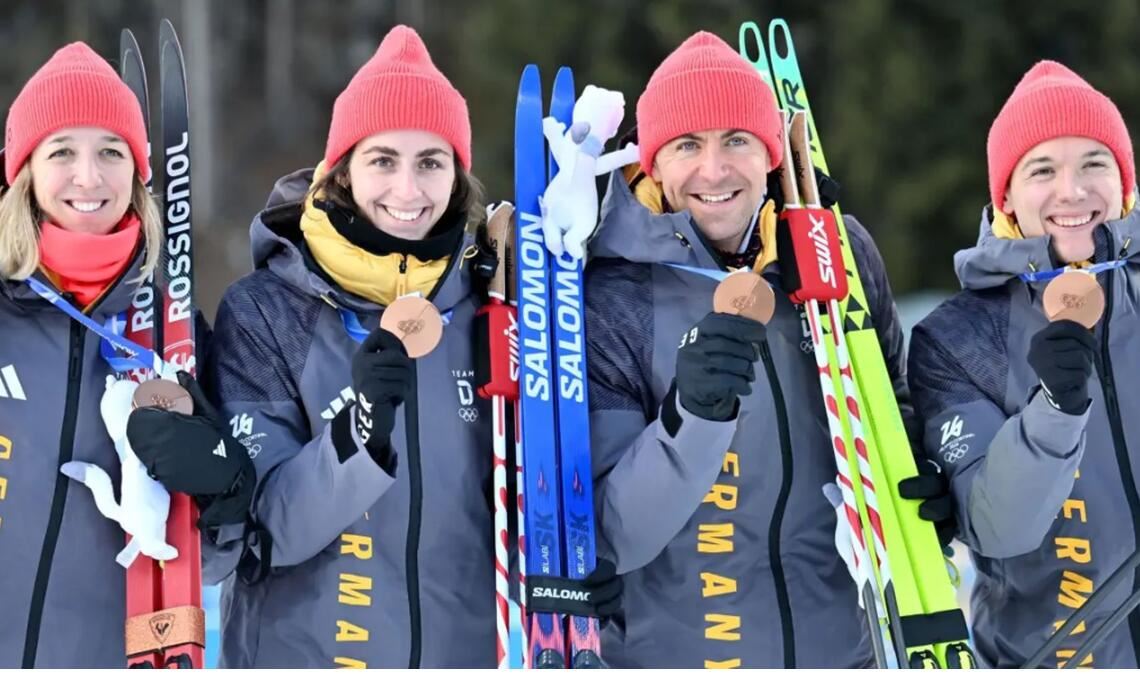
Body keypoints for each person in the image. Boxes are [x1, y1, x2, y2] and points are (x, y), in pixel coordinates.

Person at [202, 25, 617, 668]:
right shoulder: (266, 310)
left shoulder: (496, 304)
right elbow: (262, 535)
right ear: (342, 171)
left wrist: (572, 567)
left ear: (457, 176)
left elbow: (526, 497)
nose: (407, 190)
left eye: (430, 162)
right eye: (382, 160)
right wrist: (359, 433)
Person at [581, 30, 938, 668]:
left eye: (737, 141)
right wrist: (690, 418)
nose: (715, 170)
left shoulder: (839, 251)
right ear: (653, 162)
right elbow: (612, 535)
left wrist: (926, 480)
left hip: (844, 652)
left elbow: (893, 402)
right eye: (687, 145)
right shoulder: (612, 295)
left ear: (771, 153)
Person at [0, 42, 237, 667]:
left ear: (137, 174)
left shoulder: (173, 334)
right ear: (24, 171)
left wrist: (225, 488)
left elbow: (218, 560)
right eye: (61, 152)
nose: (88, 177)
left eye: (111, 151)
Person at [908, 60, 1139, 668]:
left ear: (1125, 180)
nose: (1073, 191)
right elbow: (999, 527)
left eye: (1094, 164)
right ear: (1005, 195)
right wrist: (1055, 411)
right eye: (1043, 170)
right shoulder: (957, 338)